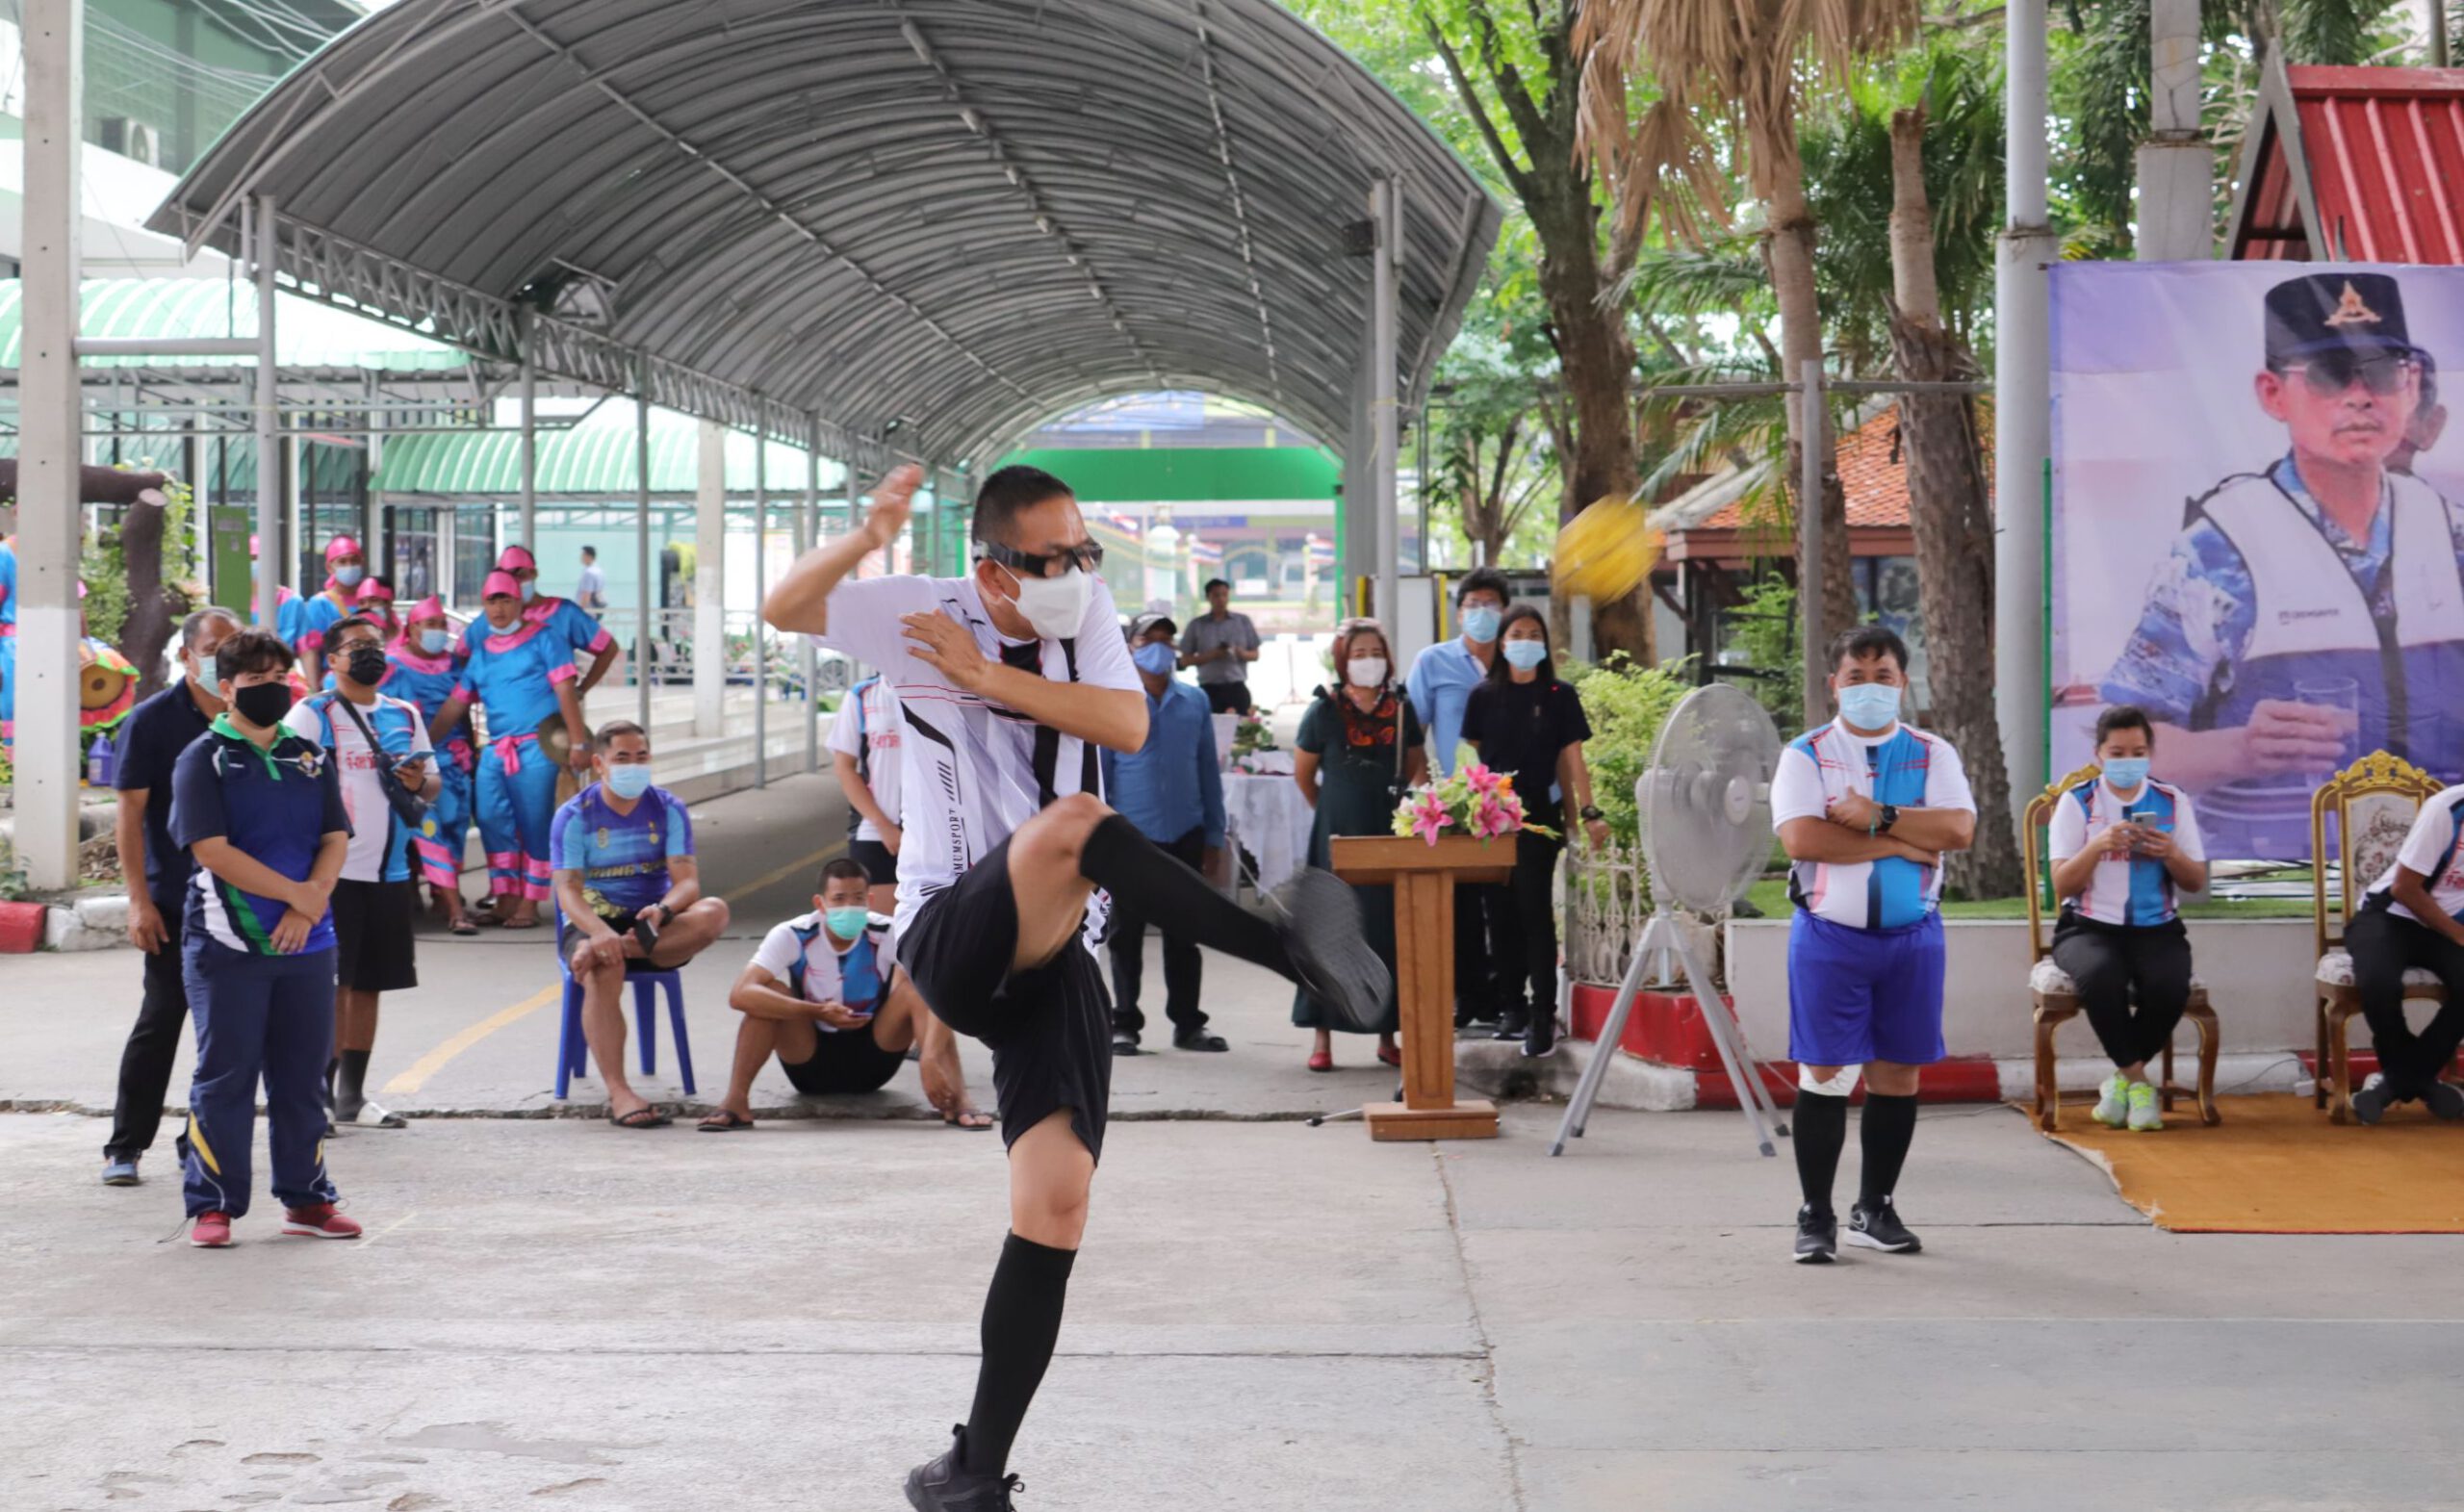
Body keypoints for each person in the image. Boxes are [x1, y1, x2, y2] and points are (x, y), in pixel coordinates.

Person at [764, 462, 1384, 1509]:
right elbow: (785, 608)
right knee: (1075, 826)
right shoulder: (920, 613)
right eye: (1050, 558)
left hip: (1058, 957)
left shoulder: (1086, 615)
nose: (1075, 572)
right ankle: (1282, 947)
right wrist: (868, 535)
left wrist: (986, 675)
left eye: (1083, 551)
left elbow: (1124, 724)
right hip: (952, 927)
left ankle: (969, 1473)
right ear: (992, 569)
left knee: (1054, 1205)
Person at [2100, 271, 2464, 859]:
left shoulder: (2452, 534)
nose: (2360, 396)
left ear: (2410, 385)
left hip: (2441, 874)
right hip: (2276, 875)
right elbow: (2125, 747)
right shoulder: (2218, 550)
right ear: (2273, 394)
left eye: (2380, 373)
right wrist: (2240, 749)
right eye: (2330, 374)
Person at [1773, 626, 1977, 1264]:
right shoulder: (1805, 754)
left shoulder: (1932, 752)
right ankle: (1816, 1214)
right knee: (1825, 1073)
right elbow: (1803, 839)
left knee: (1898, 1072)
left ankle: (1875, 1208)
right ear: (1833, 685)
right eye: (1855, 677)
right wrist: (1902, 843)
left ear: (1903, 683)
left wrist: (1878, 816)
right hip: (1830, 938)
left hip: (1912, 940)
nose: (1869, 688)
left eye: (1882, 676)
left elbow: (1958, 828)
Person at [167, 628, 362, 1247]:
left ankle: (307, 1199)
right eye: (257, 680)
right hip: (229, 942)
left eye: (281, 678)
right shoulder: (203, 758)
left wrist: (311, 901)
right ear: (226, 688)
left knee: (302, 1076)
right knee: (226, 1075)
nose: (273, 689)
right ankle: (213, 1206)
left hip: (309, 942)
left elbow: (334, 835)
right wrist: (295, 895)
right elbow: (211, 850)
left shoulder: (308, 755)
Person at [99, 607, 243, 1186]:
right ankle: (126, 1146)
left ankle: (199, 1140)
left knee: (228, 1030)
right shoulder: (151, 722)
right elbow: (129, 816)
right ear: (185, 656)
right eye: (213, 650)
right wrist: (138, 901)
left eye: (233, 648)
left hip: (243, 901)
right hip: (175, 902)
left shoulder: (251, 717)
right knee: (162, 1019)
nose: (223, 660)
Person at [286, 615, 440, 1130]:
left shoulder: (404, 714)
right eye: (357, 646)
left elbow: (432, 784)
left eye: (376, 644)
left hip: (391, 872)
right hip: (334, 875)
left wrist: (416, 780)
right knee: (334, 984)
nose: (370, 653)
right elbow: (289, 783)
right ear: (332, 659)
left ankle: (352, 1095)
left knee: (371, 983)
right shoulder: (313, 714)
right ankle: (317, 1095)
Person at [698, 858, 986, 1132]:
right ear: (820, 903)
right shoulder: (792, 934)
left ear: (869, 900)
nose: (849, 906)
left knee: (920, 987)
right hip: (807, 1059)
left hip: (876, 1056)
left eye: (857, 898)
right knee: (768, 994)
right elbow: (740, 994)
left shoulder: (887, 931)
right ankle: (735, 1101)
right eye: (838, 899)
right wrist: (814, 1011)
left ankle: (959, 1101)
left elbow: (939, 985)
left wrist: (929, 1056)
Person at [551, 721, 732, 1127]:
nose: (633, 765)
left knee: (715, 911)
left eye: (641, 756)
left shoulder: (668, 808)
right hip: (593, 919)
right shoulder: (574, 815)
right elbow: (568, 891)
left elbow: (687, 883)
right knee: (604, 968)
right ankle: (620, 1092)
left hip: (653, 925)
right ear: (599, 764)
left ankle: (615, 949)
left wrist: (663, 910)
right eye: (622, 758)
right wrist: (599, 932)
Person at [2046, 705, 2210, 1133]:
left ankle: (2120, 1083)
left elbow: (2195, 881)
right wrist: (2097, 846)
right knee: (2101, 975)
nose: (2127, 761)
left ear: (2150, 753)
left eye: (2137, 752)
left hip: (2157, 929)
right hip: (2087, 927)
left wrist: (2171, 853)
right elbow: (2062, 884)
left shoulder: (2172, 800)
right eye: (2117, 753)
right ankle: (2139, 1084)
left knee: (2169, 985)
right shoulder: (2077, 802)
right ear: (2099, 753)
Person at [1460, 606, 1611, 1060]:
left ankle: (1543, 1013)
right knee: (1498, 913)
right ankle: (1512, 1007)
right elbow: (1474, 756)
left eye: (1533, 634)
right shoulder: (1483, 696)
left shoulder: (1559, 695)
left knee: (1533, 912)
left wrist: (1586, 813)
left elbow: (1572, 760)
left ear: (1544, 644)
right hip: (1491, 819)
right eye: (1516, 633)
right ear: (1502, 642)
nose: (1524, 641)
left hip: (1538, 816)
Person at [1292, 617, 1419, 1073]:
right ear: (1343, 661)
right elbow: (1304, 775)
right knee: (1330, 928)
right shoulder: (1323, 710)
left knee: (1385, 926)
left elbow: (1415, 765)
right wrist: (1332, 810)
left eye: (1376, 653)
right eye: (1359, 654)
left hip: (1388, 829)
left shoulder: (1401, 708)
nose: (1369, 661)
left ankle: (1387, 1037)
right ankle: (1322, 1037)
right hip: (1335, 831)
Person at [431, 572, 593, 929]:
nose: (499, 608)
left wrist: (578, 741)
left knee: (535, 825)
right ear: (484, 605)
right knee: (491, 821)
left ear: (519, 602)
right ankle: (506, 898)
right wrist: (423, 745)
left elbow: (566, 691)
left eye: (506, 599)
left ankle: (529, 904)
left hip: (537, 748)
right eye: (492, 601)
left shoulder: (546, 639)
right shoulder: (482, 653)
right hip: (496, 751)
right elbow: (456, 703)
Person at [1101, 612, 1229, 1055]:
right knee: (1125, 936)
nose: (1158, 647)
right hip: (1130, 837)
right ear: (1129, 647)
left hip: (1186, 833)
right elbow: (1101, 776)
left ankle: (1188, 1023)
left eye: (1165, 639)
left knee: (1185, 933)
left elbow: (1208, 770)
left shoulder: (1194, 701)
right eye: (1147, 639)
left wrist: (1214, 835)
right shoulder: (1114, 702)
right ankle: (1124, 1023)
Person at [1407, 566, 1515, 1030]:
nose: (1482, 613)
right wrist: (1421, 793)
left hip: (1509, 804)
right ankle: (1467, 997)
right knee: (1460, 906)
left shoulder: (1518, 661)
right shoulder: (1433, 662)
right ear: (1458, 613)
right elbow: (1413, 734)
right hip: (1454, 804)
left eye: (1491, 605)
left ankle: (1508, 998)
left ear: (1505, 611)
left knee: (1507, 905)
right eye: (1473, 605)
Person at [2340, 785, 2464, 1124]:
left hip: (2446, 925)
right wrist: (2458, 935)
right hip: (2390, 915)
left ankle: (2394, 1083)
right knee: (2378, 981)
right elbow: (2405, 888)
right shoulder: (2447, 809)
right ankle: (2422, 1082)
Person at [389, 598, 480, 935]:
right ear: (411, 628)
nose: (438, 631)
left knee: (455, 828)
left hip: (455, 762)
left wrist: (471, 752)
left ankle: (443, 896)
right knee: (429, 830)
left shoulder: (455, 664)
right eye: (430, 624)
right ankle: (454, 909)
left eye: (443, 624)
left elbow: (464, 713)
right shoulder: (393, 665)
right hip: (417, 763)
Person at [466, 545, 622, 699]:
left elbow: (608, 647)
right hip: (505, 710)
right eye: (507, 577)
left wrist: (581, 690)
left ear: (534, 573)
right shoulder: (493, 618)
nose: (514, 582)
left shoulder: (564, 612)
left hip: (557, 710)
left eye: (520, 575)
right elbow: (461, 654)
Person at [828, 672, 907, 917]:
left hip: (932, 830)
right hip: (876, 832)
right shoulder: (862, 695)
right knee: (882, 927)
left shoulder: (939, 689)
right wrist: (884, 826)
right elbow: (844, 768)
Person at [1177, 577, 1261, 714]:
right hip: (1209, 689)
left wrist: (1241, 653)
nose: (1221, 599)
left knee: (1241, 725)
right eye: (1216, 595)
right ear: (1208, 597)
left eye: (1224, 595)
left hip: (1236, 687)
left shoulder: (1242, 621)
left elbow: (1255, 655)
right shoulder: (1197, 625)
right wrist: (1211, 655)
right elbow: (1185, 660)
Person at [295, 535, 368, 686]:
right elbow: (312, 650)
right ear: (329, 567)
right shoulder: (321, 604)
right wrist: (315, 688)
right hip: (336, 682)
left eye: (354, 560)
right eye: (342, 561)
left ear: (362, 562)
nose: (349, 566)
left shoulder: (370, 599)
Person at [353, 577, 400, 644]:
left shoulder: (408, 638)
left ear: (389, 602)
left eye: (373, 600)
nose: (367, 606)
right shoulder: (353, 640)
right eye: (362, 602)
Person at [576, 545, 608, 616]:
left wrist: (579, 612)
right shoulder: (599, 570)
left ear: (589, 556)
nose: (581, 557)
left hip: (588, 611)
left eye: (583, 555)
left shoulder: (588, 572)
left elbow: (587, 594)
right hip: (597, 610)